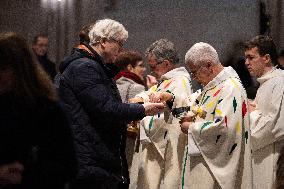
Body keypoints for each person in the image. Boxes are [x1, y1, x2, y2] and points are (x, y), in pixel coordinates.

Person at [58, 19, 164, 189]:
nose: (122, 50)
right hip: (90, 159)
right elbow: (106, 109)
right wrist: (143, 108)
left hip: (95, 156)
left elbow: (103, 105)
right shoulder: (85, 67)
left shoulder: (95, 67)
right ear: (103, 41)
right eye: (119, 43)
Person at [0, 32, 76, 189]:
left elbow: (67, 166)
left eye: (3, 68)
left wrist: (25, 174)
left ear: (20, 69)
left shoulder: (47, 110)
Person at [178, 42, 252, 189]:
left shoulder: (230, 88)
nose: (193, 77)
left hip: (214, 169)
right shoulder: (212, 87)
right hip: (201, 161)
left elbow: (225, 128)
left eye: (194, 72)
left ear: (209, 65)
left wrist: (190, 127)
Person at [129, 39, 192, 189]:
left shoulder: (180, 81)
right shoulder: (165, 81)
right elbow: (151, 94)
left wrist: (168, 98)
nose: (151, 71)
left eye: (153, 66)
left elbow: (180, 108)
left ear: (166, 63)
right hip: (154, 144)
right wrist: (139, 98)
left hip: (167, 148)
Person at [244, 35, 284, 189]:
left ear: (266, 58)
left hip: (272, 158)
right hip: (260, 155)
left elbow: (275, 126)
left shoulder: (279, 82)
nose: (246, 62)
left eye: (251, 57)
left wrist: (252, 113)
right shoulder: (266, 83)